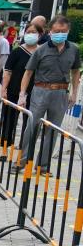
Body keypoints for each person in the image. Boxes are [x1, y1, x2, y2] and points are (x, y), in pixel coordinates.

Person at [19, 15, 81, 171]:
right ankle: (22, 161)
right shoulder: (41, 49)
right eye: (57, 31)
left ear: (68, 31)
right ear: (50, 31)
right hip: (41, 90)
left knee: (53, 130)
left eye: (63, 31)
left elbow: (75, 72)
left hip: (61, 93)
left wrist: (74, 93)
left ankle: (43, 165)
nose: (60, 33)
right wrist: (22, 94)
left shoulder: (73, 49)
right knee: (32, 126)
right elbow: (28, 72)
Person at [0, 23, 41, 161]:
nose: (31, 34)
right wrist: (3, 89)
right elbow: (7, 72)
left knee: (29, 124)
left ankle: (23, 154)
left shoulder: (42, 52)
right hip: (13, 91)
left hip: (34, 93)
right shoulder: (17, 51)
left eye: (34, 32)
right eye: (28, 32)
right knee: (9, 121)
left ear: (40, 34)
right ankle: (4, 150)